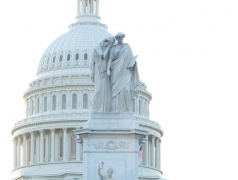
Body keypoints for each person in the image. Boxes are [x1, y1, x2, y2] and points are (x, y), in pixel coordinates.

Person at [107, 32, 140, 112]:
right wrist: (108, 69)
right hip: (115, 70)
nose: (120, 40)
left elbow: (131, 58)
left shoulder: (127, 47)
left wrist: (133, 63)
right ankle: (116, 109)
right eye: (119, 38)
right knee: (116, 92)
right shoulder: (113, 48)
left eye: (122, 38)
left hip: (126, 71)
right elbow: (110, 59)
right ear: (117, 39)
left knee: (126, 89)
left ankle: (127, 109)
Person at [91, 36, 115, 112]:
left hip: (105, 72)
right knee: (98, 90)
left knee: (106, 91)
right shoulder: (98, 47)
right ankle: (95, 109)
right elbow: (103, 56)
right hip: (98, 71)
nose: (110, 45)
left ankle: (105, 109)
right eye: (110, 43)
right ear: (106, 41)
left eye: (111, 44)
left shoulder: (108, 48)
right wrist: (108, 48)